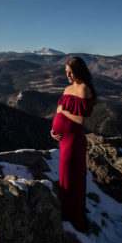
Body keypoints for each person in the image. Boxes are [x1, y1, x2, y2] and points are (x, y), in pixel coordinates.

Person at [50, 56, 96, 232]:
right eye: (66, 73)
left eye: (71, 72)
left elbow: (81, 119)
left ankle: (74, 220)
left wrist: (63, 112)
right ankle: (65, 214)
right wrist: (54, 131)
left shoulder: (84, 89)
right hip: (63, 140)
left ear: (79, 71)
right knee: (65, 176)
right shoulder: (67, 88)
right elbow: (58, 112)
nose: (68, 76)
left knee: (72, 178)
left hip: (74, 141)